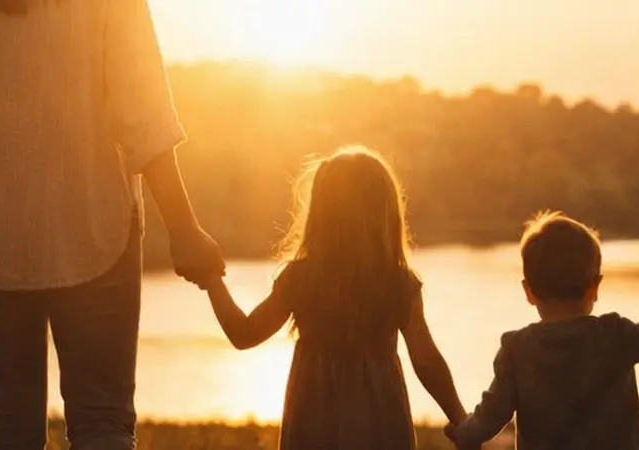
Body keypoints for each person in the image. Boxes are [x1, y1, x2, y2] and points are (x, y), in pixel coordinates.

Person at [0, 0, 223, 448]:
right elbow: (144, 112)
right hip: (96, 223)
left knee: (9, 431)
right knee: (102, 422)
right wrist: (183, 228)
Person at [195, 147, 468, 448]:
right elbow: (426, 361)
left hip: (313, 423)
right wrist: (462, 420)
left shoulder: (301, 280)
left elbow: (244, 334)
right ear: (386, 214)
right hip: (381, 426)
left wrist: (211, 279)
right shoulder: (397, 285)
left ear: (320, 214)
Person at [445, 212, 639, 449]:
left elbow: (491, 415)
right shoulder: (614, 335)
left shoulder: (516, 350)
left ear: (528, 291)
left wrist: (465, 432)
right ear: (594, 287)